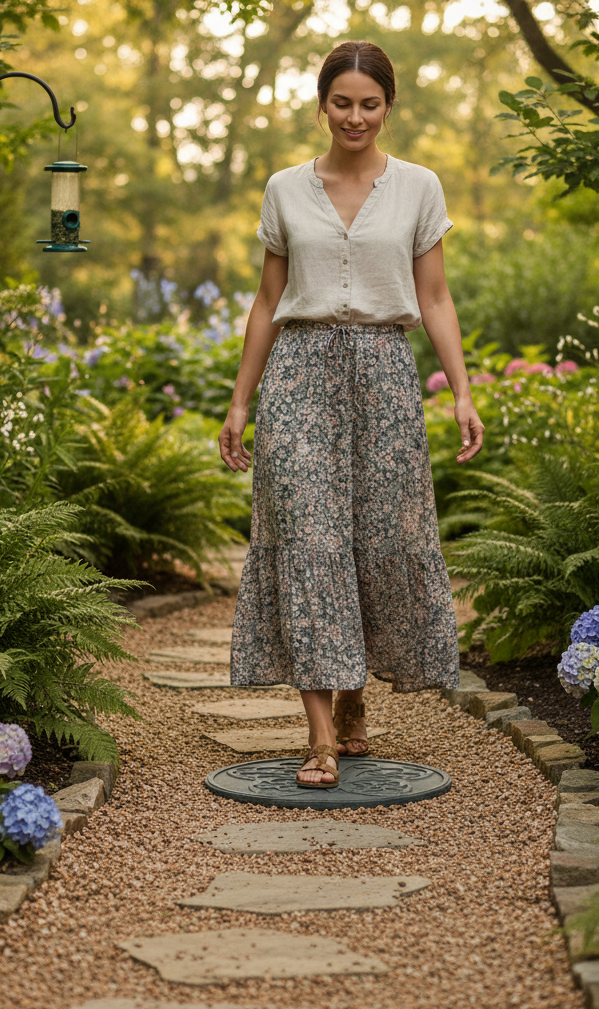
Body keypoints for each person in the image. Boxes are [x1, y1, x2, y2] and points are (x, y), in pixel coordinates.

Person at [218, 39, 485, 789]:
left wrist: (461, 390)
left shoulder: (419, 188)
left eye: (369, 103)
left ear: (389, 107)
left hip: (384, 376)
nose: (355, 116)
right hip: (300, 376)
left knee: (374, 539)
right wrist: (240, 401)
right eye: (343, 102)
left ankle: (357, 695)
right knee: (308, 538)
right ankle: (321, 737)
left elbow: (433, 296)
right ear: (321, 104)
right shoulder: (283, 189)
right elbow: (268, 301)